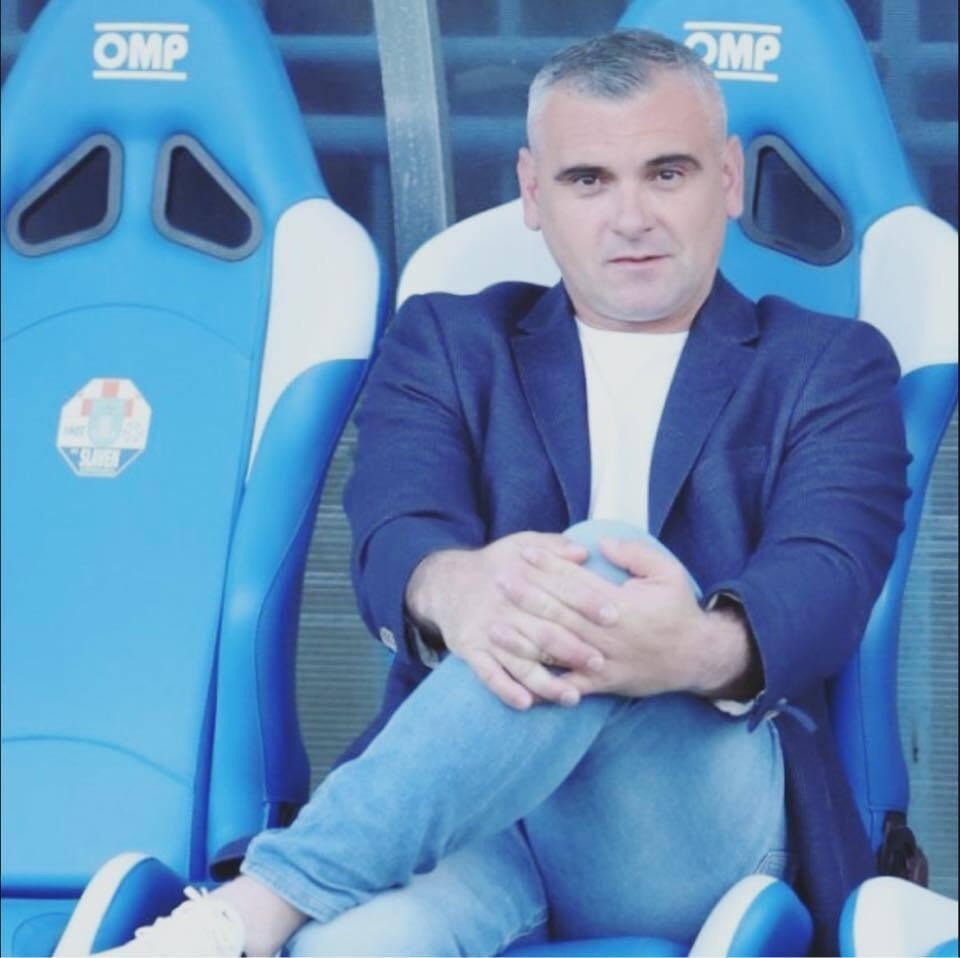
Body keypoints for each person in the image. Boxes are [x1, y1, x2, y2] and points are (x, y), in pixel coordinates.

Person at [78, 29, 909, 957]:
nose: (631, 216)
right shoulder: (449, 340)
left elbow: (830, 575)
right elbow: (396, 526)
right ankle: (272, 919)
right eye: (588, 180)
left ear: (728, 179)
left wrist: (697, 647)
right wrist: (455, 588)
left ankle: (245, 912)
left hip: (691, 825)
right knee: (350, 949)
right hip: (472, 819)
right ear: (531, 193)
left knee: (586, 569)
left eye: (666, 174)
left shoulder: (827, 364)